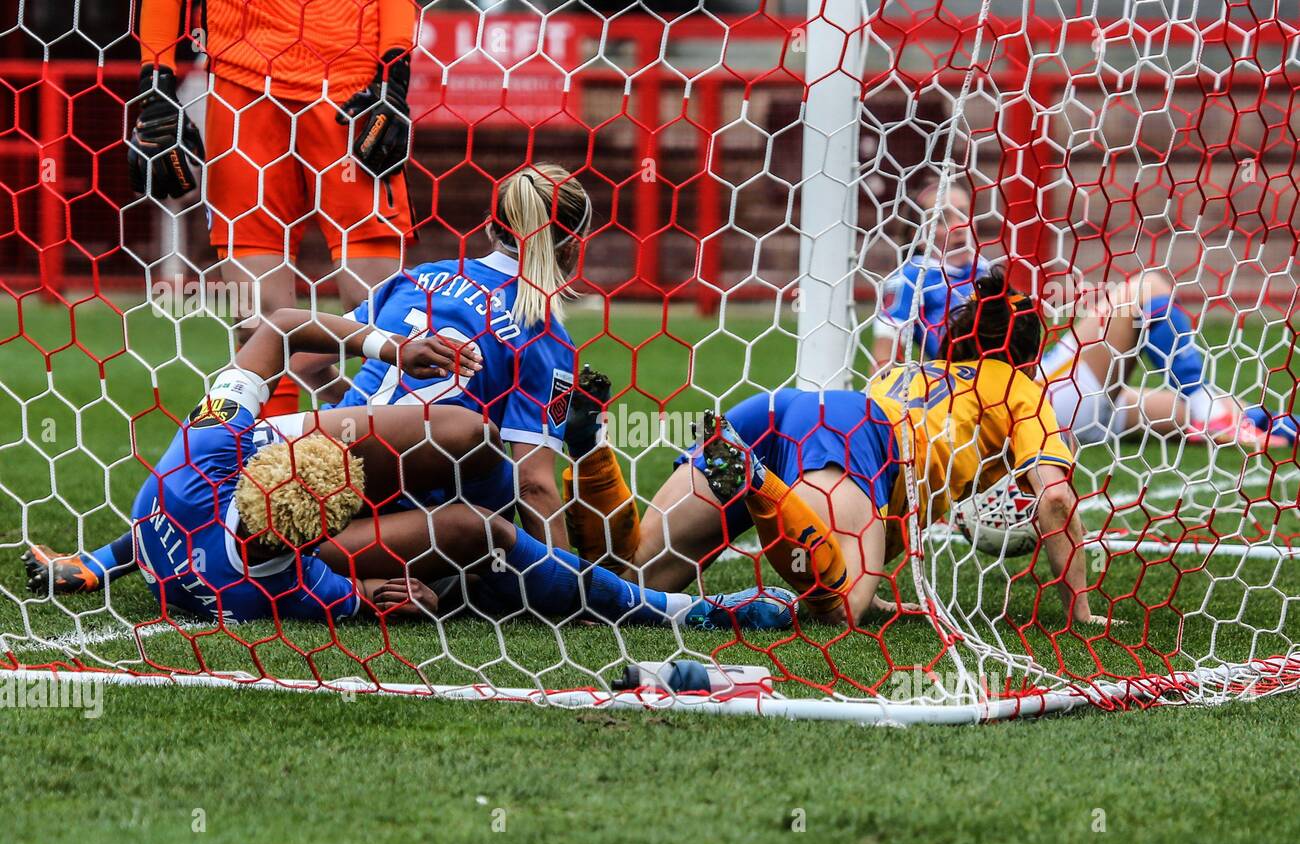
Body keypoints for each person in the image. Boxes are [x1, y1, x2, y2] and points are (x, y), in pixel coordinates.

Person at [26, 310, 795, 633]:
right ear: (332, 523)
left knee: (463, 435)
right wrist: (390, 597)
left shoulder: (202, 455)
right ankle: (678, 610)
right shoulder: (291, 590)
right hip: (253, 548)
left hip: (226, 528)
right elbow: (392, 602)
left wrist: (92, 565)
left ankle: (562, 546)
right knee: (469, 529)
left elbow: (269, 327)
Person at [31, 163, 589, 593]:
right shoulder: (545, 336)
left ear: (491, 226)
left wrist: (364, 415)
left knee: (226, 494)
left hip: (308, 471)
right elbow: (536, 485)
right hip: (395, 522)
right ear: (571, 244)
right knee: (481, 515)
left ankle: (103, 560)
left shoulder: (419, 279)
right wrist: (563, 585)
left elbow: (310, 363)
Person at [563, 269, 1108, 629]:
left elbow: (886, 499)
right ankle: (758, 487)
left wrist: (877, 588)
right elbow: (1056, 501)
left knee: (631, 578)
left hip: (789, 412)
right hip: (854, 438)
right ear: (1031, 357)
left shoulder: (906, 371)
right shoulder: (1022, 390)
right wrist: (1079, 611)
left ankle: (591, 454)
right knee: (839, 607)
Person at [130, 0, 419, 416]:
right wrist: (155, 85)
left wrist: (395, 73)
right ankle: (272, 465)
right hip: (241, 85)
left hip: (351, 86)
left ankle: (377, 448)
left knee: (376, 302)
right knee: (259, 317)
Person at [874, 181, 1297, 448]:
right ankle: (1201, 398)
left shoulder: (987, 271)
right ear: (916, 229)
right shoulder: (908, 280)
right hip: (1023, 407)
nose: (962, 224)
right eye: (945, 218)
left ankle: (1274, 426)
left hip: (1049, 399)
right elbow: (884, 373)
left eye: (965, 212)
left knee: (1188, 415)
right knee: (1145, 290)